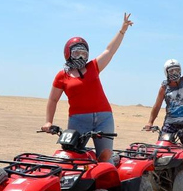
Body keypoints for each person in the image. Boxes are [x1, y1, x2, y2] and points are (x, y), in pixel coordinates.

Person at [42, 13, 134, 163]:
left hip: (104, 118)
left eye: (83, 53)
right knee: (72, 157)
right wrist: (48, 122)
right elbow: (53, 100)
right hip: (78, 120)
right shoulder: (61, 76)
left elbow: (109, 51)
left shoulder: (94, 67)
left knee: (105, 157)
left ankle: (109, 186)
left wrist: (122, 30)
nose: (80, 57)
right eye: (76, 53)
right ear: (68, 53)